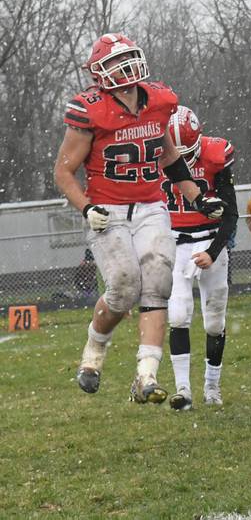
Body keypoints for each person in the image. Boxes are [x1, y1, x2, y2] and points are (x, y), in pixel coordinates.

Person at [53, 33, 225, 403]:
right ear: (100, 71)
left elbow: (169, 158)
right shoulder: (90, 110)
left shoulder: (158, 101)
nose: (126, 67)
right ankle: (93, 352)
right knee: (124, 285)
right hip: (107, 209)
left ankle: (146, 376)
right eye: (116, 61)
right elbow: (63, 172)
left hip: (150, 205)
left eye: (129, 57)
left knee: (158, 284)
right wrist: (86, 207)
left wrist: (198, 197)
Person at [163, 106, 238, 410]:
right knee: (178, 316)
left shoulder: (215, 156)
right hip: (176, 243)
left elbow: (231, 215)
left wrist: (212, 251)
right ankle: (183, 390)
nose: (183, 162)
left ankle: (212, 385)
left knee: (214, 323)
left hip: (210, 240)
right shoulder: (154, 157)